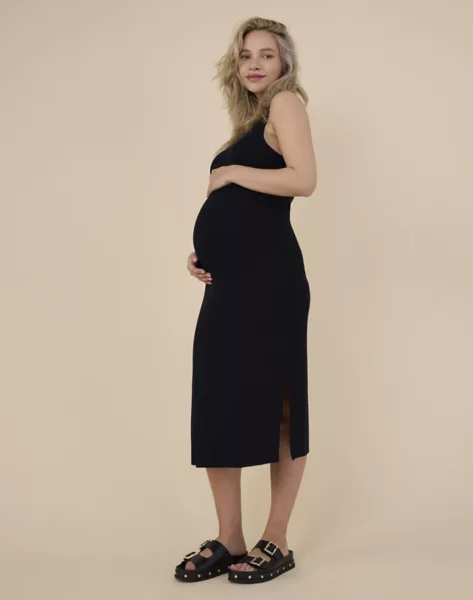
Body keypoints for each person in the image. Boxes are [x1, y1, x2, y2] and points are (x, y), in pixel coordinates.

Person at [174, 16, 317, 585]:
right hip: (229, 284)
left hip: (272, 284)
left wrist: (232, 171)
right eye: (245, 56)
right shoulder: (247, 126)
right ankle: (229, 537)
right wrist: (203, 253)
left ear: (284, 63)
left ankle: (275, 539)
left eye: (266, 54)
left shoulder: (286, 103)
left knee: (279, 403)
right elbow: (240, 210)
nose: (255, 64)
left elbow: (303, 179)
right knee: (216, 398)